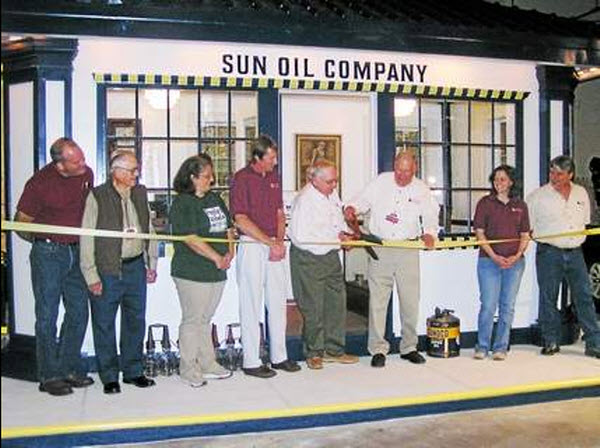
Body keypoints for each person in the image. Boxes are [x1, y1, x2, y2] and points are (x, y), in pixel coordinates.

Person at [15, 137, 95, 396]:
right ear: (60, 165)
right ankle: (49, 375)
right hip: (49, 253)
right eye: (77, 161)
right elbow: (21, 223)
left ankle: (69, 368)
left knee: (78, 311)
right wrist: (44, 243)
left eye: (82, 157)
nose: (83, 163)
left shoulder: (86, 174)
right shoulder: (40, 183)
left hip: (76, 250)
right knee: (47, 315)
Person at [344, 151, 439, 368]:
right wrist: (352, 208)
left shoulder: (421, 189)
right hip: (381, 248)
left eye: (407, 171)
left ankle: (409, 347)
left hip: (408, 249)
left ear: (414, 169)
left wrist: (430, 234)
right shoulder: (380, 182)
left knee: (410, 300)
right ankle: (378, 349)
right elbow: (362, 201)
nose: (402, 175)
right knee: (377, 301)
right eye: (399, 169)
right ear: (394, 165)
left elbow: (431, 215)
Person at [80, 150, 159, 394]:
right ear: (118, 172)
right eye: (132, 170)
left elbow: (149, 228)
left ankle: (133, 371)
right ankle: (109, 376)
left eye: (137, 170)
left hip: (136, 266)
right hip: (107, 269)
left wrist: (151, 262)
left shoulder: (140, 192)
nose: (137, 174)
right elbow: (87, 236)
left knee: (135, 321)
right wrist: (90, 275)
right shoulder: (97, 196)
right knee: (104, 323)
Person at [230, 135, 300, 378]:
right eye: (271, 157)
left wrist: (278, 243)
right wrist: (268, 242)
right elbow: (240, 219)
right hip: (251, 244)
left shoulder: (274, 178)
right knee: (251, 303)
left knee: (278, 301)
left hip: (275, 245)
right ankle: (251, 361)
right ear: (257, 157)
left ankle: (279, 357)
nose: (275, 161)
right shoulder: (241, 179)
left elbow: (280, 213)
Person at [170, 154, 235, 387]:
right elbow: (190, 238)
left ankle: (208, 363)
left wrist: (229, 253)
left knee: (206, 320)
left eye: (211, 176)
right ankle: (188, 367)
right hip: (191, 271)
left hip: (217, 271)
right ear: (192, 178)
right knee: (192, 319)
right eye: (206, 176)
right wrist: (216, 257)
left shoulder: (215, 199)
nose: (211, 180)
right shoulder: (182, 204)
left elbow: (228, 228)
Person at [527, 155, 600, 358]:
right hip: (549, 252)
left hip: (576, 252)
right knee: (549, 297)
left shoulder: (581, 193)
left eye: (559, 173)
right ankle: (550, 341)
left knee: (584, 296)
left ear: (570, 174)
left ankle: (594, 343)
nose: (555, 177)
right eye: (552, 172)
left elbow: (584, 221)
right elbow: (529, 228)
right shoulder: (537, 196)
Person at [289, 160, 359, 370]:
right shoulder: (305, 201)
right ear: (314, 180)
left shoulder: (331, 195)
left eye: (335, 180)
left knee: (336, 304)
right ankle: (314, 352)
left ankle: (334, 350)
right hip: (308, 258)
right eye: (329, 181)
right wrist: (338, 240)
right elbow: (302, 237)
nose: (334, 184)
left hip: (330, 257)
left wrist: (344, 234)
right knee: (313, 308)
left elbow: (334, 223)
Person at [472, 165, 530, 361]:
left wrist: (517, 255)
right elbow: (479, 233)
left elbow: (525, 234)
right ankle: (482, 346)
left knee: (507, 306)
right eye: (496, 179)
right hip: (489, 262)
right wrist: (494, 256)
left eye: (503, 179)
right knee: (488, 305)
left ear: (511, 182)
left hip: (515, 264)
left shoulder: (520, 205)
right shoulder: (484, 203)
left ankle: (501, 347)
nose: (498, 183)